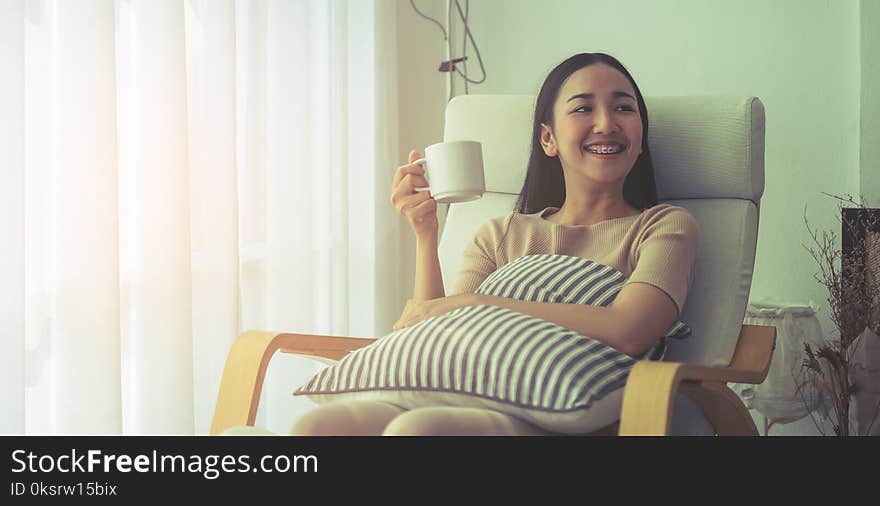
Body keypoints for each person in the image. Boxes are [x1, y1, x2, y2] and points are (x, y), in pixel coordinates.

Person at [289, 52, 699, 436]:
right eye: (583, 108)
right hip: (471, 392)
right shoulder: (501, 234)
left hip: (564, 419)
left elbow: (629, 331)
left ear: (640, 137)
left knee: (416, 432)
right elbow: (436, 329)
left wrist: (475, 303)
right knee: (321, 426)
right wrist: (426, 233)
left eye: (624, 107)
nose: (607, 122)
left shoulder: (663, 227)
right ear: (548, 139)